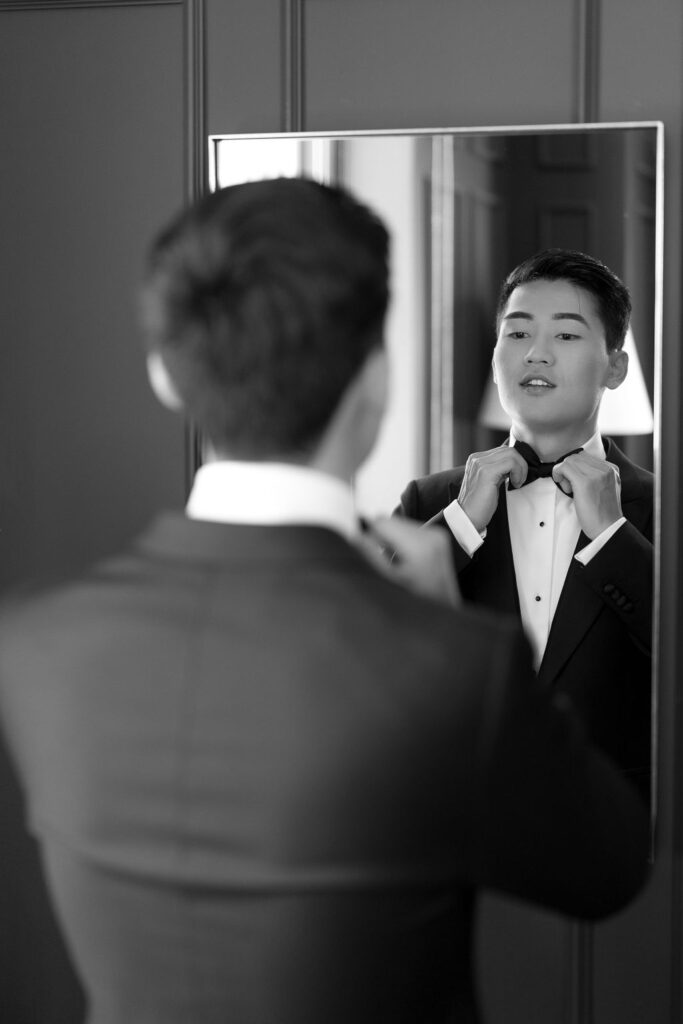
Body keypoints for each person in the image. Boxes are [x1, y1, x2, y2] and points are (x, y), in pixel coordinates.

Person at [0, 187, 649, 1024]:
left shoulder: (31, 642)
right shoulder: (457, 663)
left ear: (164, 368)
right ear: (375, 381)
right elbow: (607, 868)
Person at [398, 248, 653, 799]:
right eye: (517, 335)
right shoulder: (430, 502)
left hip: (619, 828)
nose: (536, 354)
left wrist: (612, 535)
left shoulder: (666, 509)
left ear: (615, 366)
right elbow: (371, 641)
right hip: (460, 820)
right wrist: (461, 524)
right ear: (495, 358)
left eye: (565, 336)